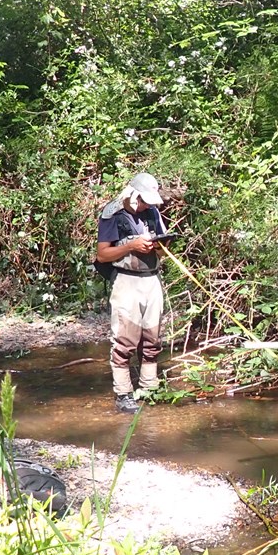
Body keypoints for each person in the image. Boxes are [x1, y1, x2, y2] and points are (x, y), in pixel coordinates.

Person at [95, 172, 168, 413]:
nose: (147, 205)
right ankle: (123, 394)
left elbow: (163, 251)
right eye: (144, 200)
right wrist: (131, 246)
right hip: (126, 282)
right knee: (124, 340)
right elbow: (102, 255)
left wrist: (157, 246)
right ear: (133, 194)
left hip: (152, 279)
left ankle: (149, 388)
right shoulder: (112, 214)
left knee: (152, 338)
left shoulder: (153, 212)